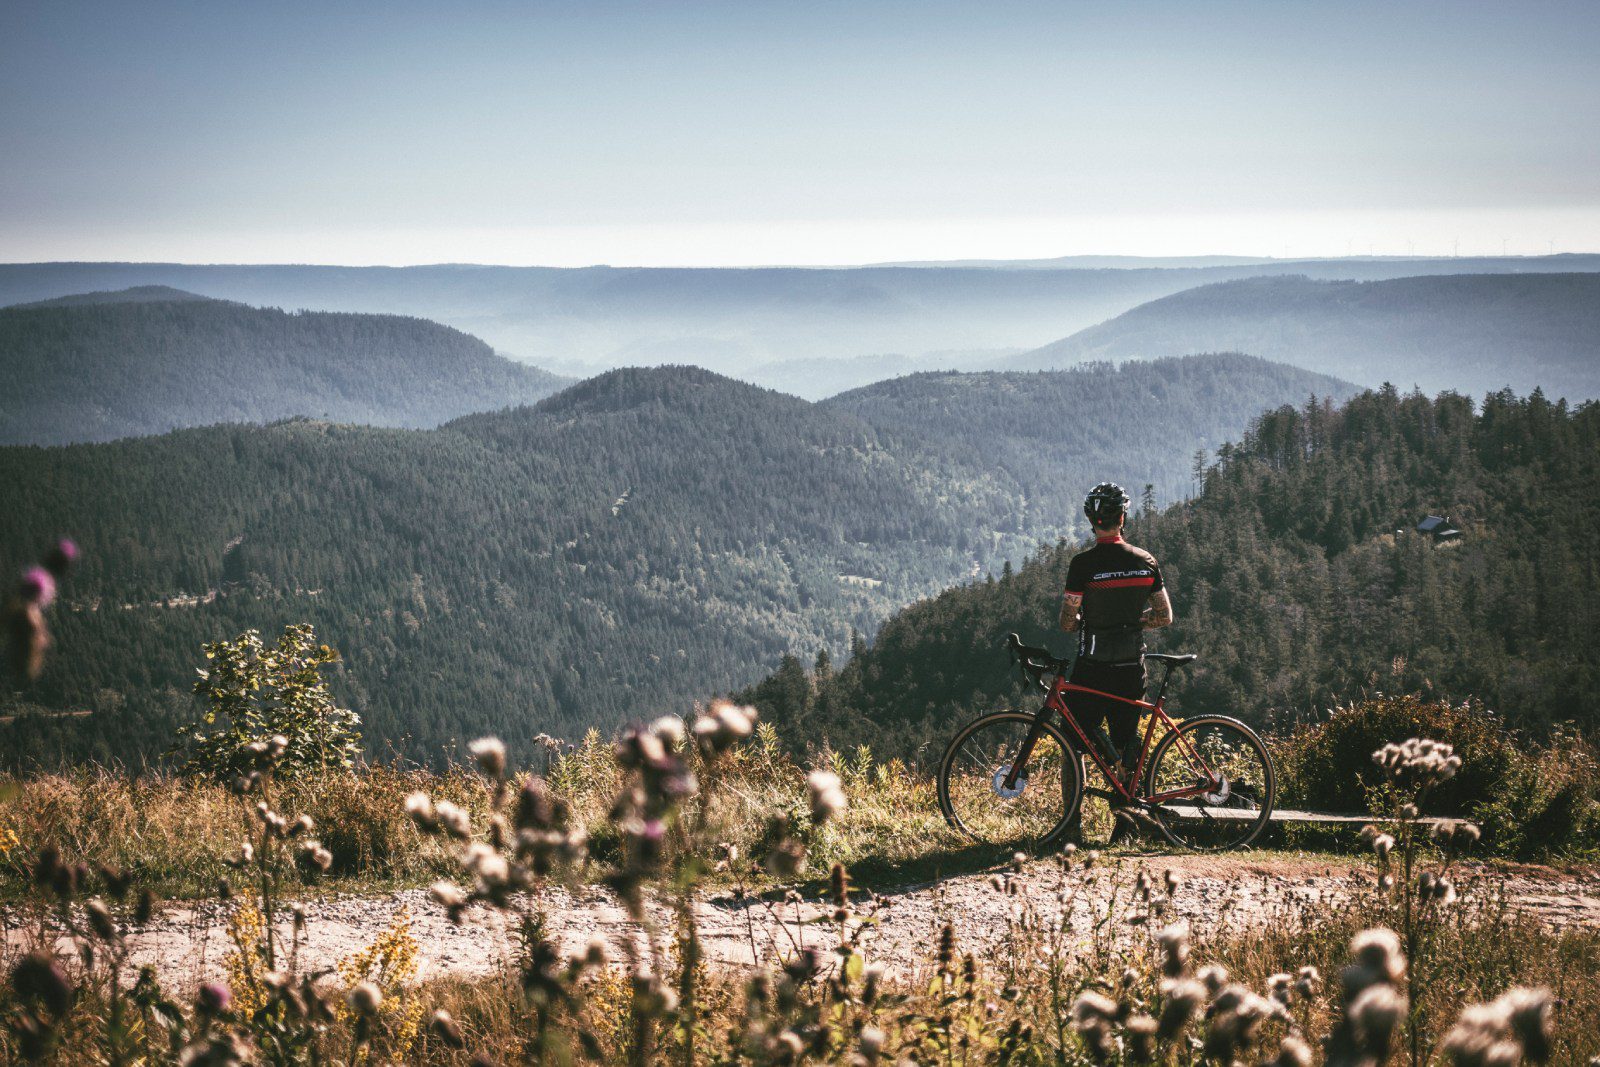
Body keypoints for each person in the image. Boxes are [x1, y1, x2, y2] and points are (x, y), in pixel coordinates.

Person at [1058, 482, 1173, 844]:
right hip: (1130, 667)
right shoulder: (1145, 561)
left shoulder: (1083, 565)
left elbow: (1067, 622)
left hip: (1092, 668)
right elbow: (1164, 615)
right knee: (1127, 747)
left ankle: (1070, 828)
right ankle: (1124, 831)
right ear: (1122, 518)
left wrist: (1085, 622)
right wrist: (1136, 622)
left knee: (1071, 742)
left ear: (1093, 521)